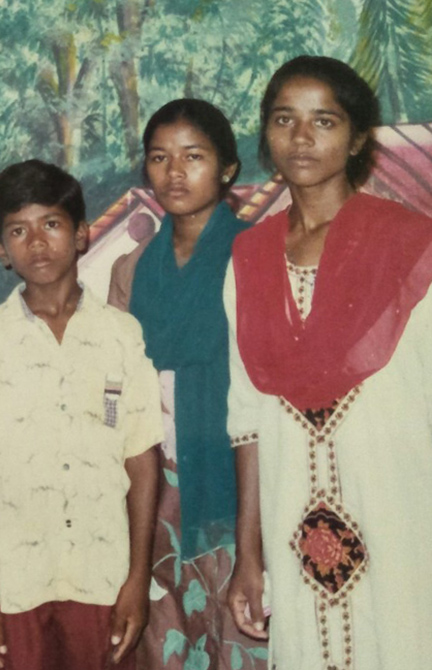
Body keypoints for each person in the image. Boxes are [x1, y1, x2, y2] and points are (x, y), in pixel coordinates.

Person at [226, 56, 432, 670]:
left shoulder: (412, 245)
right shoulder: (249, 258)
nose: (302, 137)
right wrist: (248, 552)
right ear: (266, 134)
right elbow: (248, 419)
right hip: (293, 518)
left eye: (325, 121)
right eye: (285, 119)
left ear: (358, 137)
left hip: (399, 507)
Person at [0, 159, 162, 670]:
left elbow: (141, 458)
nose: (37, 243)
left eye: (52, 224)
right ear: (1, 250)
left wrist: (136, 577)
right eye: (18, 231)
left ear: (82, 234)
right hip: (14, 581)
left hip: (102, 574)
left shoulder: (120, 335)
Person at [108, 99, 268, 669]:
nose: (175, 172)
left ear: (227, 167)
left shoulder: (259, 255)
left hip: (237, 479)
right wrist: (108, 450)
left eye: (193, 156)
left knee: (240, 633)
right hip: (152, 484)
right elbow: (112, 389)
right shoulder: (130, 268)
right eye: (159, 158)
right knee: (165, 641)